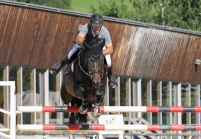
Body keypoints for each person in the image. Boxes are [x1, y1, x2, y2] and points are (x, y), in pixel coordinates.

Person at [50, 13, 118, 88]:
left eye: (98, 25)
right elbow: (79, 39)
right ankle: (59, 65)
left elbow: (110, 49)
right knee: (70, 55)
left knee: (108, 62)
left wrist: (98, 53)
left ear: (101, 25)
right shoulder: (86, 27)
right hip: (85, 45)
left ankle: (111, 77)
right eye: (94, 25)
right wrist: (87, 46)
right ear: (91, 24)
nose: (96, 27)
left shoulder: (105, 32)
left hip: (99, 48)